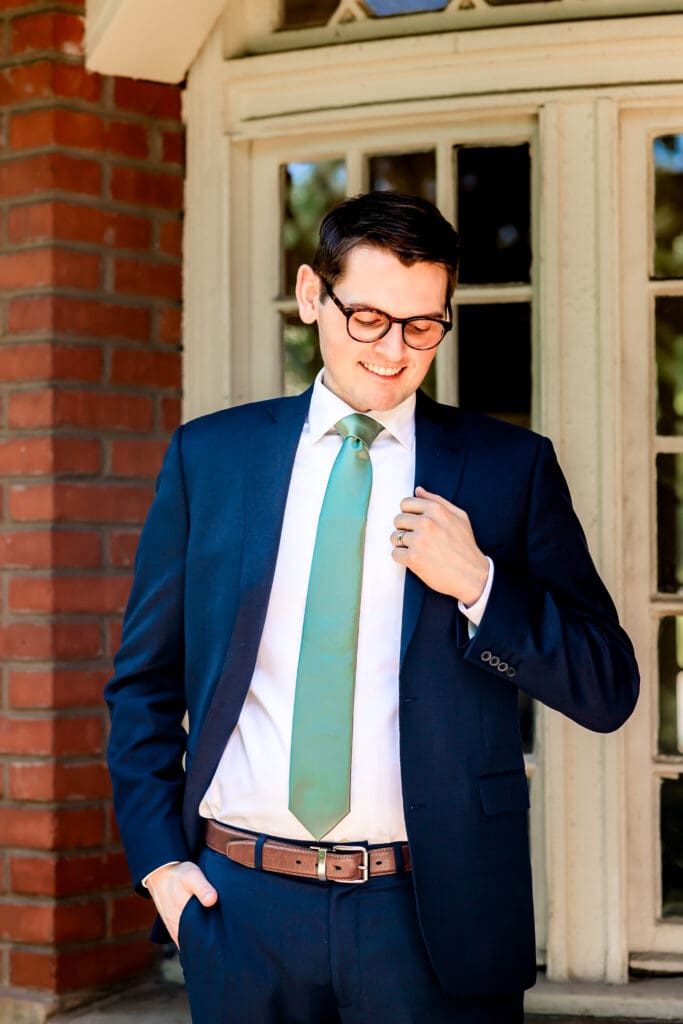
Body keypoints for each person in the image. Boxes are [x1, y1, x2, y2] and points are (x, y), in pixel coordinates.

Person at [105, 190, 639, 1024]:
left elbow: (608, 688)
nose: (393, 352)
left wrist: (479, 585)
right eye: (368, 318)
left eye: (422, 325)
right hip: (239, 913)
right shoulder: (211, 457)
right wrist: (161, 869)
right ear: (313, 295)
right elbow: (142, 683)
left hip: (432, 919)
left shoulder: (508, 468)